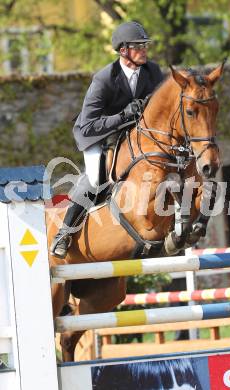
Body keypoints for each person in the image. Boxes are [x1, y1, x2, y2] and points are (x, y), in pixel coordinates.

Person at [50, 21, 164, 258]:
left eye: (145, 45)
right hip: (97, 135)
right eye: (138, 46)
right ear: (123, 51)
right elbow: (91, 124)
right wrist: (124, 115)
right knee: (95, 178)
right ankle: (64, 232)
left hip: (132, 134)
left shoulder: (153, 72)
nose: (144, 50)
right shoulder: (104, 80)